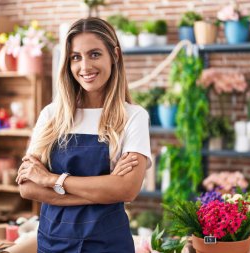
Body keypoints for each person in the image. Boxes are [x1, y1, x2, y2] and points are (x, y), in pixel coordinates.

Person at [16, 17, 152, 253]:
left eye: (95, 54)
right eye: (76, 57)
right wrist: (105, 190)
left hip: (108, 244)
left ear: (115, 55)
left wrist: (52, 180)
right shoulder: (51, 115)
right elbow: (27, 187)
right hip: (52, 243)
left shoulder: (133, 116)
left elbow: (127, 190)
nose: (85, 66)